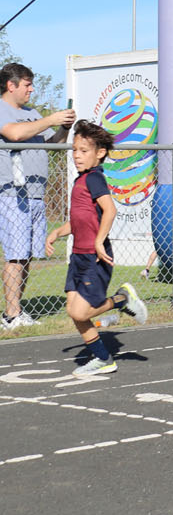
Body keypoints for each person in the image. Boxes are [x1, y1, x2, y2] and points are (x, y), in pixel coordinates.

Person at [42, 120, 148, 374]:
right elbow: (81, 220)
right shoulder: (81, 180)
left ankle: (122, 300)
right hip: (78, 258)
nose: (77, 156)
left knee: (81, 312)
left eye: (83, 151)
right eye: (75, 150)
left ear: (100, 153)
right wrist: (58, 231)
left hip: (94, 258)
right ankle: (103, 359)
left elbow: (110, 210)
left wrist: (99, 240)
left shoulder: (95, 179)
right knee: (74, 312)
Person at [1, 63, 76, 330]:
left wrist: (64, 127)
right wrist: (50, 119)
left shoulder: (32, 113)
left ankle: (17, 311)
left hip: (36, 195)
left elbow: (53, 144)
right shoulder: (2, 110)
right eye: (27, 84)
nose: (31, 90)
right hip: (12, 194)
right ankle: (10, 316)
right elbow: (15, 133)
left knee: (27, 256)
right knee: (15, 255)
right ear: (11, 86)